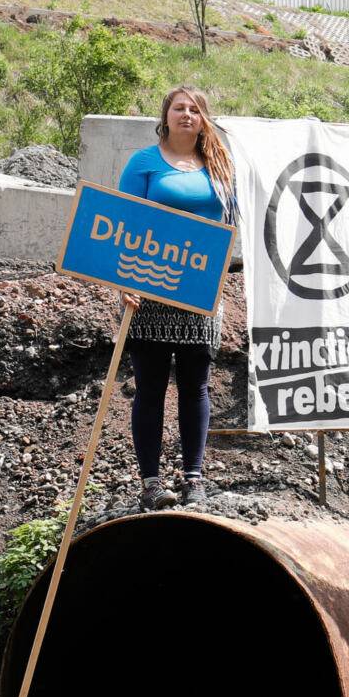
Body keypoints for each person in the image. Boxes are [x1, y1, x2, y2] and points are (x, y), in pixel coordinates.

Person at [117, 87, 236, 510]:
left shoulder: (220, 166)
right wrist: (122, 281)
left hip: (200, 291)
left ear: (204, 118)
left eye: (195, 109)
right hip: (147, 287)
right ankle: (150, 482)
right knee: (150, 388)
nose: (187, 115)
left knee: (195, 385)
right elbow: (122, 222)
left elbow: (229, 229)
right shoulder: (143, 163)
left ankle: (194, 478)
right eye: (179, 108)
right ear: (165, 115)